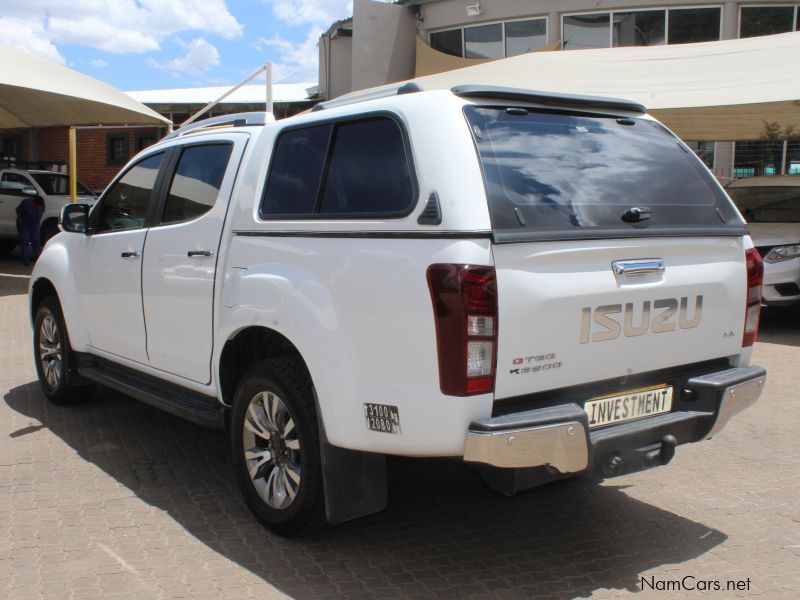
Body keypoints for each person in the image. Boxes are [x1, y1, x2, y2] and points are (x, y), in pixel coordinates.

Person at [16, 192, 45, 267]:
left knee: (36, 241)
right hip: (24, 223)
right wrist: (20, 221)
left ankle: (39, 260)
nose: (38, 207)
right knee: (25, 240)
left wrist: (36, 223)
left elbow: (39, 215)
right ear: (34, 203)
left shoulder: (42, 205)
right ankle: (26, 261)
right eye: (37, 206)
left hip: (34, 224)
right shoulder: (26, 203)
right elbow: (18, 211)